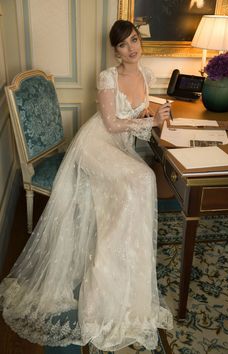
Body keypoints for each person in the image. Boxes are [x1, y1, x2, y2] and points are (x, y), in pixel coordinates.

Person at [0, 20, 173, 351]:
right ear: (115, 51)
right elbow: (110, 123)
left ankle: (128, 265)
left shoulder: (146, 75)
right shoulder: (108, 77)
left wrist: (159, 111)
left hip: (118, 147)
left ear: (140, 42)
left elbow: (139, 111)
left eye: (134, 40)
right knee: (143, 178)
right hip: (95, 145)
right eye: (123, 45)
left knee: (139, 184)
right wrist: (153, 120)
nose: (131, 48)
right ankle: (104, 271)